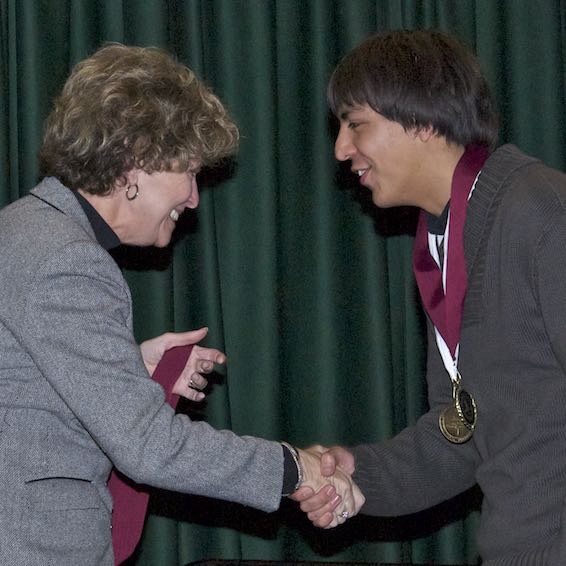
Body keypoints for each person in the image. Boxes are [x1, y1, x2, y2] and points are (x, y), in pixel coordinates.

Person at [0, 43, 365, 566]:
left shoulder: (20, 230)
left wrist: (131, 367)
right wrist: (295, 470)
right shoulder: (67, 259)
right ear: (136, 158)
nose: (193, 198)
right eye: (188, 172)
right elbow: (149, 447)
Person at [292, 29, 566, 564]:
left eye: (356, 124)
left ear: (419, 119)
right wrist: (356, 474)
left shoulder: (541, 213)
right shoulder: (444, 242)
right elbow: (459, 435)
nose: (342, 149)